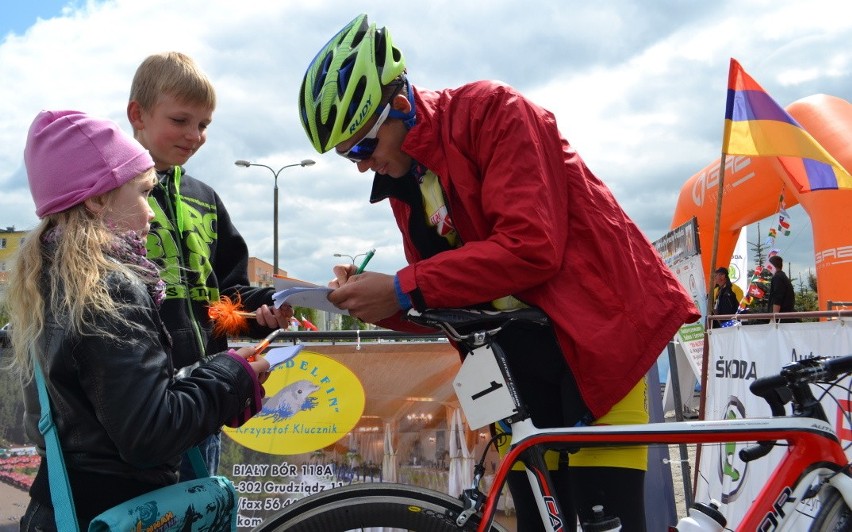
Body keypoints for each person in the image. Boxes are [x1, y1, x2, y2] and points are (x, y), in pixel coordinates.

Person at [298, 14, 700, 531]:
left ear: (401, 105)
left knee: (611, 520)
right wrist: (371, 300)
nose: (358, 165)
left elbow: (531, 248)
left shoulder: (493, 110)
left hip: (598, 346)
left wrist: (401, 287)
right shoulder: (406, 179)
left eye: (361, 146)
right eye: (345, 155)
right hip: (517, 371)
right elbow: (446, 301)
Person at [10, 110, 270, 530]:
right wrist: (232, 374)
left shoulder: (49, 281)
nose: (151, 213)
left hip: (61, 508)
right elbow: (148, 435)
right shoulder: (110, 288)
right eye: (144, 193)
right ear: (96, 199)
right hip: (119, 511)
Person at [127, 51, 292, 479]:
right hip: (140, 406)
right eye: (180, 121)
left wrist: (263, 312)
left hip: (205, 396)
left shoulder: (205, 197)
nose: (194, 135)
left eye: (203, 125)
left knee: (202, 512)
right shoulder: (110, 191)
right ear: (137, 115)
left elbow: (224, 299)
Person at [766, 255, 797, 321]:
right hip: (787, 316)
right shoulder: (783, 276)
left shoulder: (777, 277)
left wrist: (774, 319)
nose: (767, 269)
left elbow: (777, 298)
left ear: (772, 266)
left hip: (782, 319)